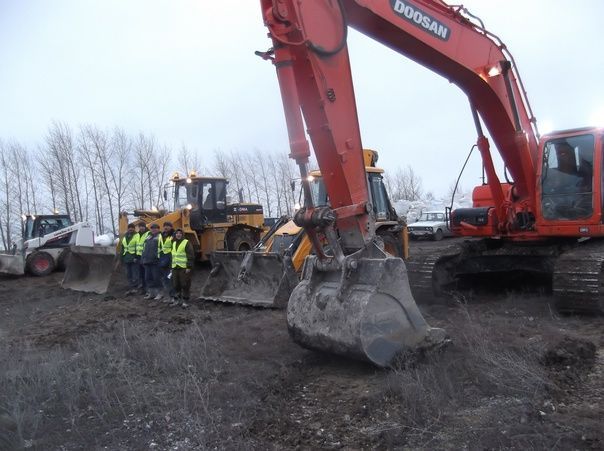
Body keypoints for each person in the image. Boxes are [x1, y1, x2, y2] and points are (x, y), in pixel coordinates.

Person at [170, 228, 195, 308]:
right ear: (175, 234)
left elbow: (190, 255)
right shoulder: (173, 243)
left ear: (182, 234)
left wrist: (189, 266)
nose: (178, 235)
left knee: (185, 284)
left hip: (183, 267)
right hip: (175, 267)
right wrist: (171, 266)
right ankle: (177, 299)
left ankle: (185, 301)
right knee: (175, 284)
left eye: (180, 233)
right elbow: (173, 256)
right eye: (177, 233)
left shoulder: (186, 243)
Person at [141, 223, 161, 300]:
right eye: (152, 228)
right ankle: (152, 293)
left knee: (156, 278)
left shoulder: (160, 237)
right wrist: (143, 259)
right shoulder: (148, 237)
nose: (153, 229)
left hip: (155, 261)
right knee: (148, 278)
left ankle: (159, 293)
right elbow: (144, 249)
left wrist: (159, 259)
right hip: (147, 261)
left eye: (155, 228)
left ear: (158, 229)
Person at [156, 221, 174, 301]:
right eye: (165, 226)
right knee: (165, 279)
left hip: (170, 260)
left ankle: (173, 296)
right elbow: (159, 248)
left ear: (171, 227)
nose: (166, 227)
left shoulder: (174, 236)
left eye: (168, 226)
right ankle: (168, 296)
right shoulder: (161, 236)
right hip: (162, 260)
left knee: (170, 278)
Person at [121, 223, 140, 295]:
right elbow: (123, 248)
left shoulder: (136, 236)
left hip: (133, 258)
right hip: (126, 258)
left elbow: (138, 247)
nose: (130, 229)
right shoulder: (125, 236)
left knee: (135, 273)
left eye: (132, 227)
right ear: (127, 228)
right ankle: (131, 287)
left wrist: (136, 257)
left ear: (134, 229)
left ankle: (136, 288)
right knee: (128, 274)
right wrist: (121, 258)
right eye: (129, 227)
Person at [135, 222, 149, 294]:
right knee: (141, 274)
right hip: (138, 257)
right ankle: (143, 289)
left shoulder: (148, 234)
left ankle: (148, 289)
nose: (141, 228)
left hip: (145, 257)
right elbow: (135, 245)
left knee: (147, 274)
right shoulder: (137, 235)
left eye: (142, 226)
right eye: (140, 226)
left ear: (145, 226)